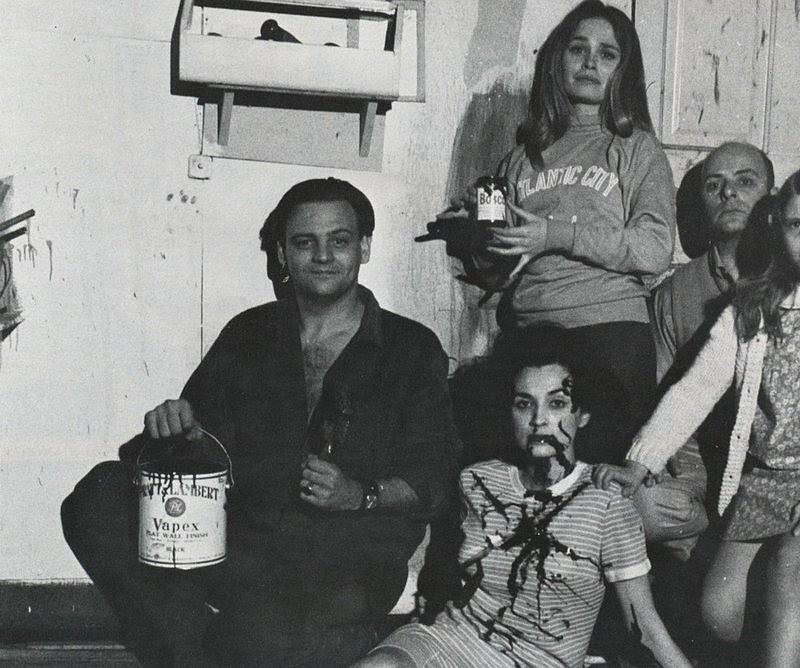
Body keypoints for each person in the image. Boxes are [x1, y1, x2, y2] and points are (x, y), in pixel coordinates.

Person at [61, 178, 460, 666]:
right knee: (99, 494)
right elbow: (202, 455)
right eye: (303, 242)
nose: (322, 255)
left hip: (348, 559)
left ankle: (220, 644)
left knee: (260, 630)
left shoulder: (411, 348)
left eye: (339, 239)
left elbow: (434, 481)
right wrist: (179, 431)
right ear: (282, 254)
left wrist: (358, 494)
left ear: (365, 247)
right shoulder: (249, 334)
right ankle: (198, 647)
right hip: (246, 548)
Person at [595, 166, 800, 665]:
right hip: (769, 480)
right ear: (777, 230)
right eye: (795, 225)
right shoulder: (754, 307)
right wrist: (640, 463)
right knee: (719, 613)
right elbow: (695, 388)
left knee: (791, 570)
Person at [355, 330, 691, 668]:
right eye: (524, 404)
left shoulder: (608, 503)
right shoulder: (477, 480)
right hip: (449, 641)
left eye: (557, 403)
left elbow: (645, 627)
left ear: (583, 414)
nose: (539, 419)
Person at [481, 0, 675, 464]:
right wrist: (480, 225)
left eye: (607, 54)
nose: (590, 62)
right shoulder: (523, 156)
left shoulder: (635, 148)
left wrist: (557, 234)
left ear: (623, 71)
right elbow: (496, 269)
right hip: (529, 335)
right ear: (557, 63)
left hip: (606, 334)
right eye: (578, 49)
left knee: (595, 492)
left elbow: (655, 249)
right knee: (527, 489)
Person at [639, 141, 775, 561]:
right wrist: (688, 478)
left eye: (744, 182)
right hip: (704, 475)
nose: (728, 193)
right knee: (638, 508)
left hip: (776, 475)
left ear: (772, 195)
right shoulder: (675, 293)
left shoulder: (798, 277)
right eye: (714, 185)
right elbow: (665, 396)